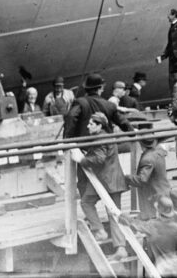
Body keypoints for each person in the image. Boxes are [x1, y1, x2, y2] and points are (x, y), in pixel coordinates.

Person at [71, 112, 128, 261]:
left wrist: (82, 159)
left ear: (99, 125)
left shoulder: (99, 138)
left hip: (104, 181)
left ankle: (100, 231)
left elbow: (99, 158)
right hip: (114, 179)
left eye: (91, 124)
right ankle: (120, 248)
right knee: (114, 214)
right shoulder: (106, 136)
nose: (88, 126)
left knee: (86, 202)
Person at [119, 196, 177, 276]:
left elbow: (135, 224)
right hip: (176, 269)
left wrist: (122, 217)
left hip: (162, 269)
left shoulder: (153, 225)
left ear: (158, 211)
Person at [64, 73, 133, 139]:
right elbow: (124, 123)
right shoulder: (110, 105)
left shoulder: (80, 102)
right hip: (106, 144)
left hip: (84, 145)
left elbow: (71, 117)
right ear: (100, 88)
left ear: (86, 89)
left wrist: (68, 139)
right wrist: (132, 132)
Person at [125, 135, 170, 220]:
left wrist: (126, 178)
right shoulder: (159, 152)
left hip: (154, 198)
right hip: (163, 192)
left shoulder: (148, 158)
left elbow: (142, 180)